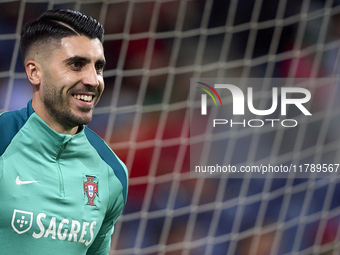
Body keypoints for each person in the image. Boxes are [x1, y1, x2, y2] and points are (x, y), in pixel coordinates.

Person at [0, 9, 128, 254]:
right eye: (76, 64)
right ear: (34, 72)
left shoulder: (112, 171)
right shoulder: (3, 140)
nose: (93, 80)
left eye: (98, 67)